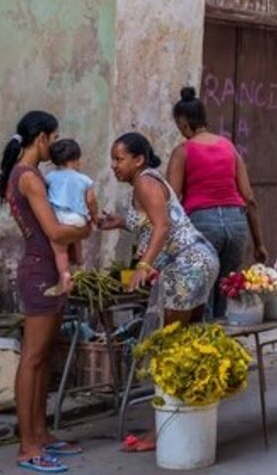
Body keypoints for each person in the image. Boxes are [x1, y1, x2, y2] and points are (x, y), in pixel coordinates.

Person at [97, 132, 220, 453]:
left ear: (138, 159)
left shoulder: (144, 182)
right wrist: (121, 222)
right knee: (186, 347)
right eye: (113, 159)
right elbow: (153, 221)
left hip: (187, 265)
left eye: (119, 159)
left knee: (170, 351)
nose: (114, 165)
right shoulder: (147, 181)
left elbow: (163, 226)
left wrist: (144, 264)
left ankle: (161, 432)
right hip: (198, 260)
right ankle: (186, 420)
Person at [0, 112, 92, 472]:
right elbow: (54, 231)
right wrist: (84, 231)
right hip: (40, 272)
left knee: (42, 357)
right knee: (34, 358)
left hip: (44, 268)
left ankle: (41, 433)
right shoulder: (30, 178)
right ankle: (28, 445)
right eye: (53, 138)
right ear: (41, 139)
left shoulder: (26, 175)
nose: (54, 145)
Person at [166, 87, 268, 319]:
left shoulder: (182, 152)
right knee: (226, 287)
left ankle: (202, 346)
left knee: (201, 292)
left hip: (203, 223)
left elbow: (172, 200)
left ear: (183, 121)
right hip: (236, 223)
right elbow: (249, 199)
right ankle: (222, 346)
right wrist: (259, 243)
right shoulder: (228, 147)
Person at [42, 139, 97, 295]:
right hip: (78, 218)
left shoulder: (50, 177)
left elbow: (45, 196)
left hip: (59, 217)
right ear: (76, 159)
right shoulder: (85, 179)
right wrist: (94, 216)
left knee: (60, 250)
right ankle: (79, 266)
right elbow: (91, 201)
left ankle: (64, 274)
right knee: (76, 238)